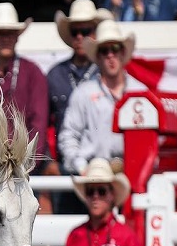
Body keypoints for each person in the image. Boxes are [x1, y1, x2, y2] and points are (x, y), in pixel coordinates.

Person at [46, 0, 111, 246]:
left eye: (86, 30)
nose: (81, 37)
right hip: (67, 172)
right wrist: (49, 162)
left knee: (104, 243)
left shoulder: (108, 70)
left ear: (96, 33)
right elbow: (40, 123)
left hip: (102, 172)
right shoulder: (55, 75)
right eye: (76, 32)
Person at [59, 19, 146, 177]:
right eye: (105, 50)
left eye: (115, 48)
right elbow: (69, 135)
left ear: (123, 53)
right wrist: (81, 167)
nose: (110, 55)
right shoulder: (83, 93)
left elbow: (153, 138)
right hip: (94, 175)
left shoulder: (141, 92)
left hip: (133, 173)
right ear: (98, 57)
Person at [0, 2, 50, 174]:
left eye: (10, 34)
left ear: (17, 36)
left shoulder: (33, 73)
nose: (6, 39)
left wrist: (27, 164)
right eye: (0, 34)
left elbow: (39, 124)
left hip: (26, 167)